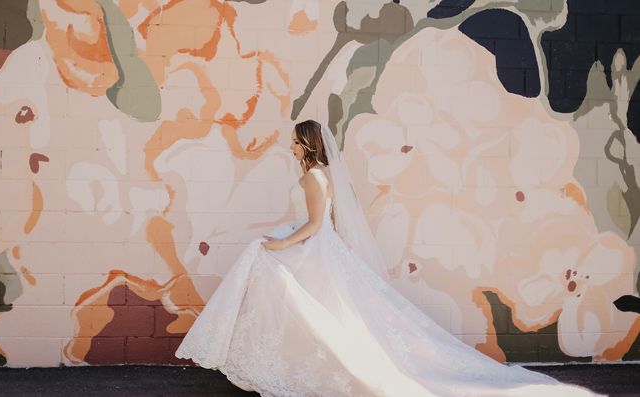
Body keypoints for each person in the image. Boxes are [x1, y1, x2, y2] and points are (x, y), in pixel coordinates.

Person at [175, 120, 600, 397]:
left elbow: (313, 225)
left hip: (317, 246)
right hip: (327, 247)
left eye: (294, 141)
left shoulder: (310, 176)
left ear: (308, 145)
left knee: (274, 274)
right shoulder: (325, 175)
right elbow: (326, 222)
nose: (289, 146)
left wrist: (279, 245)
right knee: (330, 312)